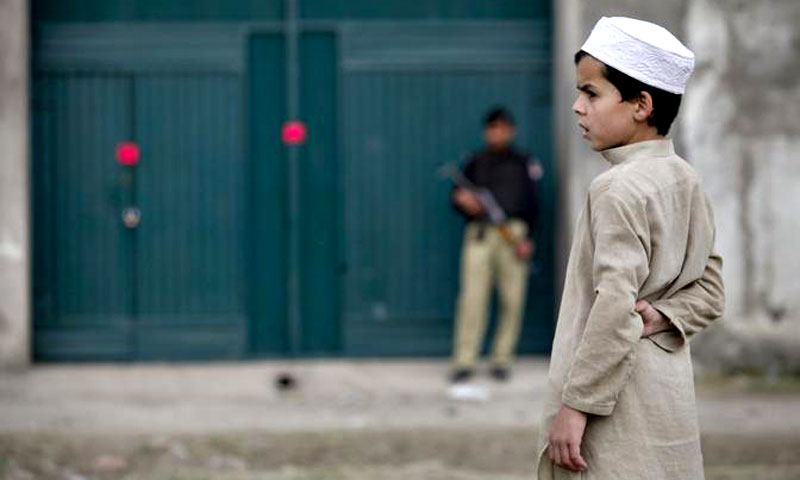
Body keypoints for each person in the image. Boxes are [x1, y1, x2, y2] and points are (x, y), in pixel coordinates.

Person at [535, 17, 725, 479]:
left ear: (641, 104)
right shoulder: (685, 178)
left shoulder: (616, 189)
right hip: (667, 399)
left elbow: (614, 308)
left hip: (615, 407)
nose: (578, 107)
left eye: (591, 93)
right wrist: (661, 316)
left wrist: (576, 407)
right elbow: (711, 291)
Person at [450, 107, 542, 383]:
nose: (497, 132)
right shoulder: (474, 161)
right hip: (479, 234)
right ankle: (465, 360)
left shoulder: (524, 162)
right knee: (472, 299)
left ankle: (501, 358)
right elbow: (457, 198)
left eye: (502, 127)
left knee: (512, 299)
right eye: (492, 127)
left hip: (513, 234)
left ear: (510, 130)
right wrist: (464, 202)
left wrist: (529, 238)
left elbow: (535, 204)